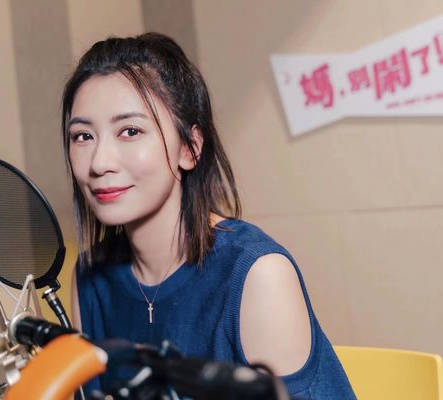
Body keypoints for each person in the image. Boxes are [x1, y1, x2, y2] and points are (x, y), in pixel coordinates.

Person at [64, 32, 355, 399]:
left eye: (130, 131)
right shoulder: (90, 277)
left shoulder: (257, 275)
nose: (99, 162)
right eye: (83, 136)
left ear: (189, 148)